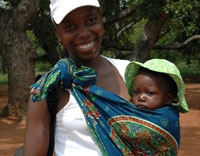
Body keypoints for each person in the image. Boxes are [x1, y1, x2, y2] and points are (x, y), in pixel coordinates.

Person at [24, 0, 131, 155]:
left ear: (101, 20)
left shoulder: (131, 74)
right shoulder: (46, 91)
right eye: (70, 27)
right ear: (58, 33)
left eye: (91, 21)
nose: (84, 33)